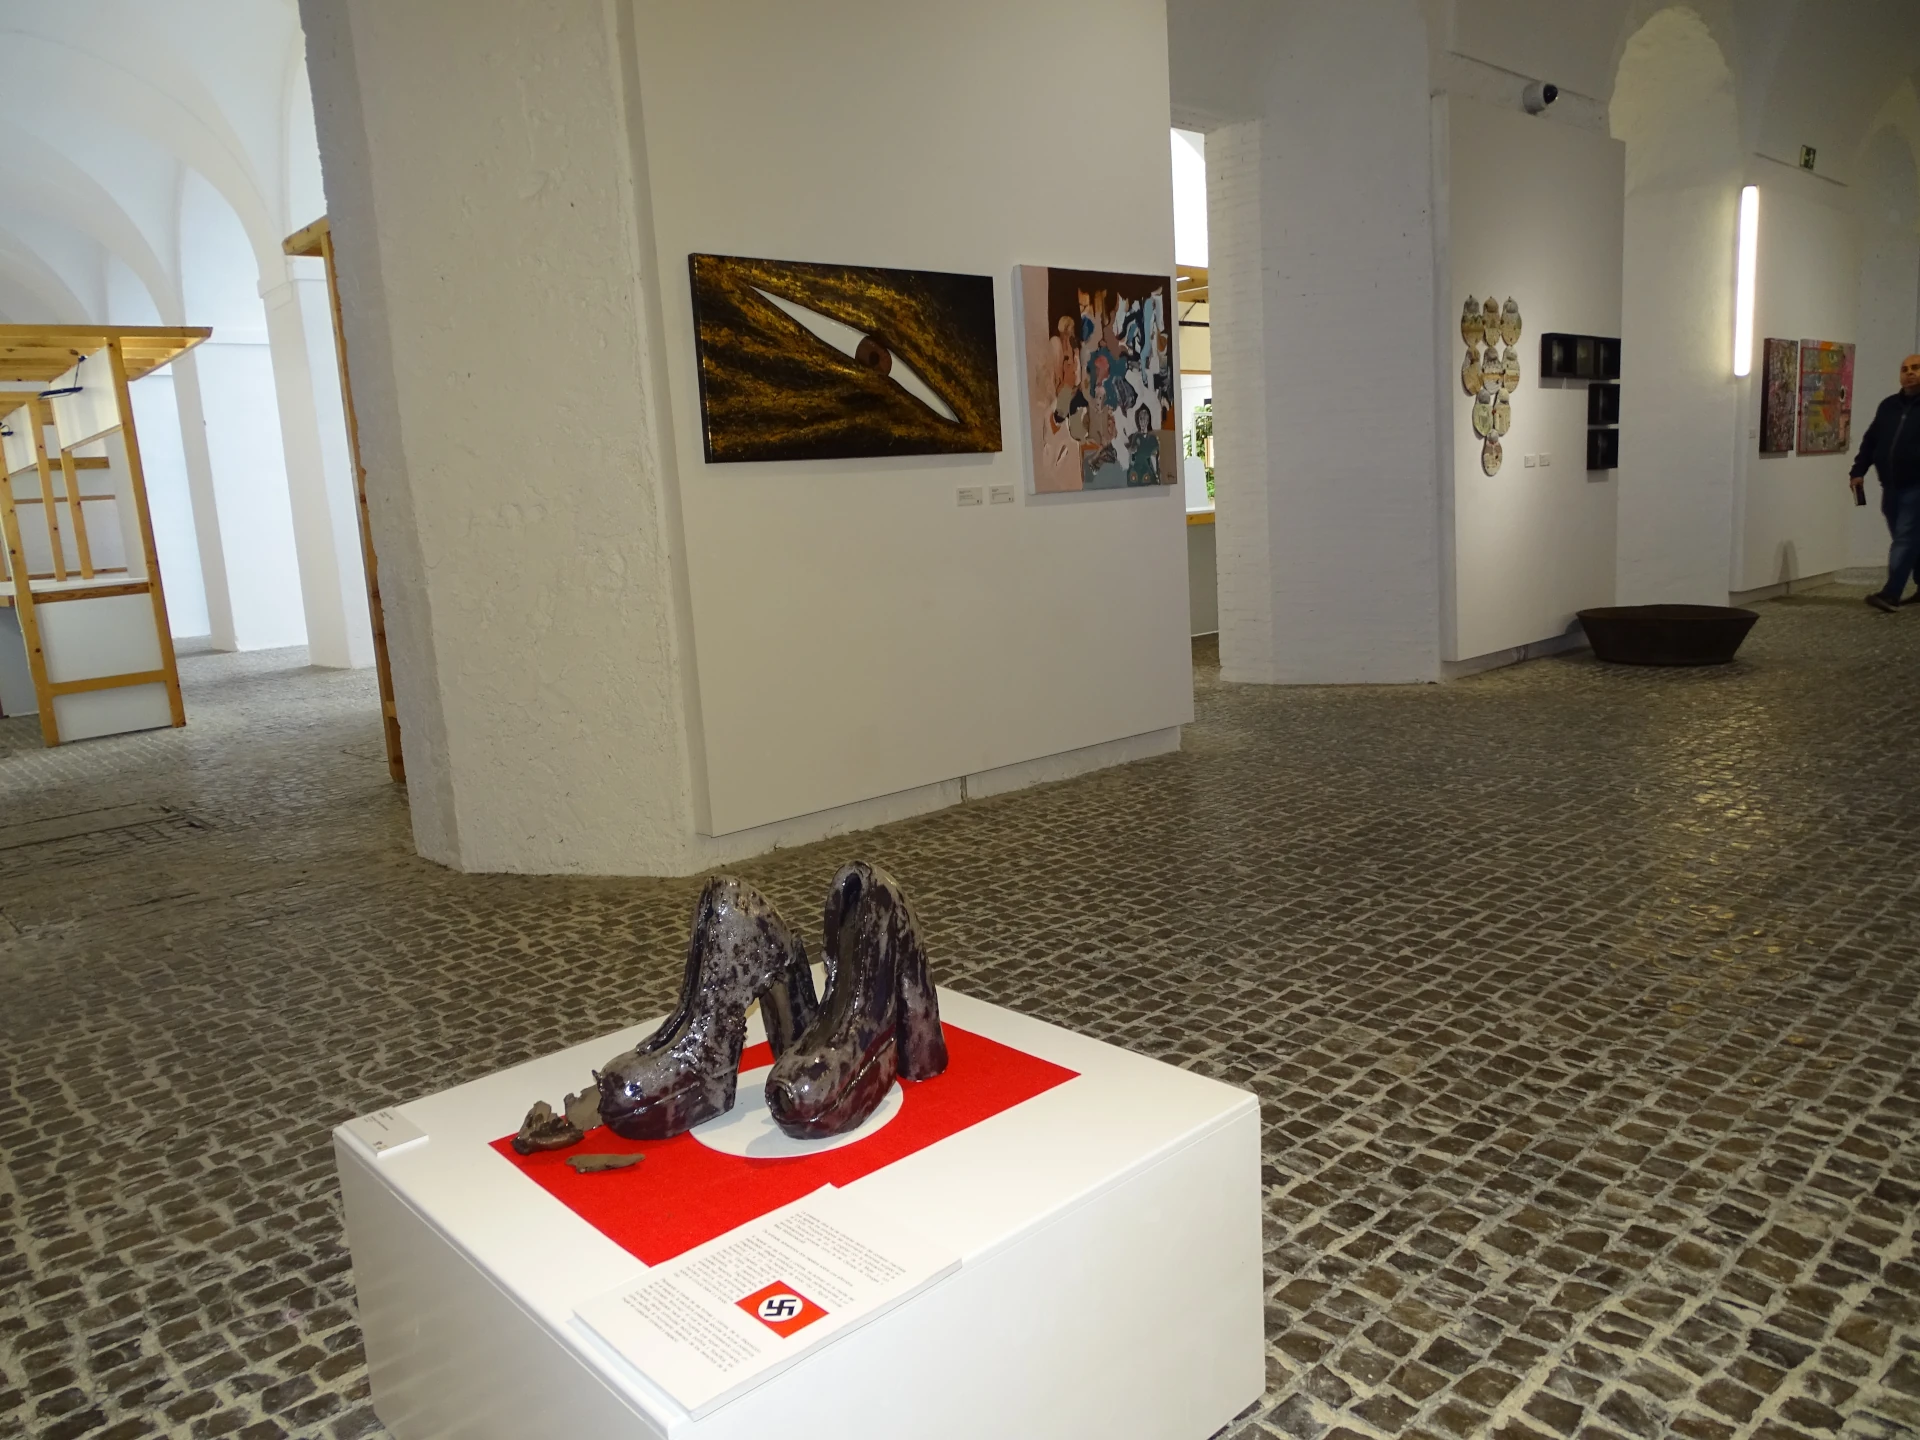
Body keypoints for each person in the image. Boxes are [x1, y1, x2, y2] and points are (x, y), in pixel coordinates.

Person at [1851, 353, 1920, 612]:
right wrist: (1858, 470)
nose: (1909, 373)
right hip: (1890, 485)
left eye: (1916, 368)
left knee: (1905, 538)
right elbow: (1871, 440)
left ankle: (1891, 594)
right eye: (1905, 369)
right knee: (1908, 538)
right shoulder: (1889, 406)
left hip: (1917, 485)